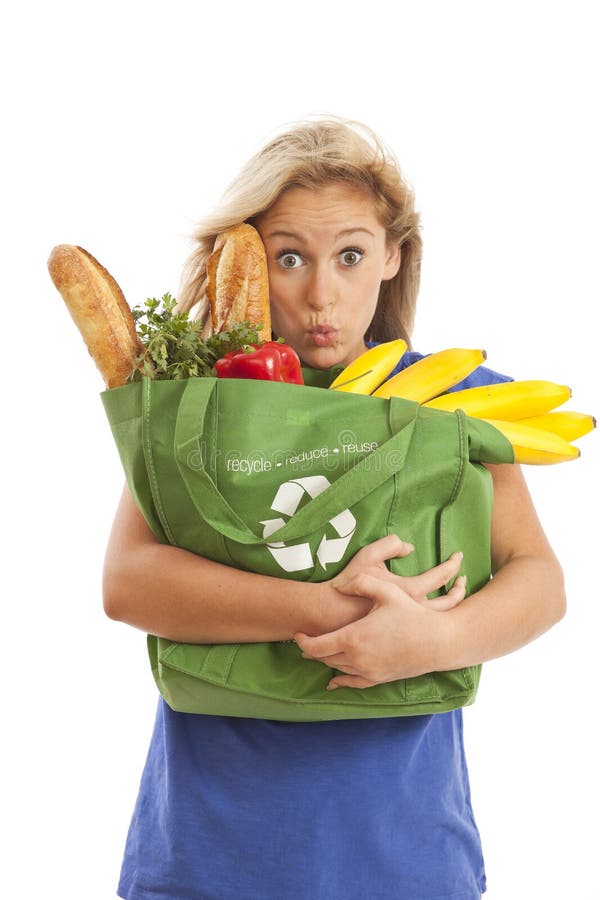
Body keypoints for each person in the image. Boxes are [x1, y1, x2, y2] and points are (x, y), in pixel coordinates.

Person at [104, 118, 566, 899]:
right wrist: (322, 609)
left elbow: (539, 579)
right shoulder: (202, 402)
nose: (322, 294)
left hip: (406, 857)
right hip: (211, 858)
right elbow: (129, 582)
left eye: (350, 256)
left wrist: (430, 641)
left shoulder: (448, 400)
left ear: (391, 256)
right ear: (247, 258)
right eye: (291, 258)